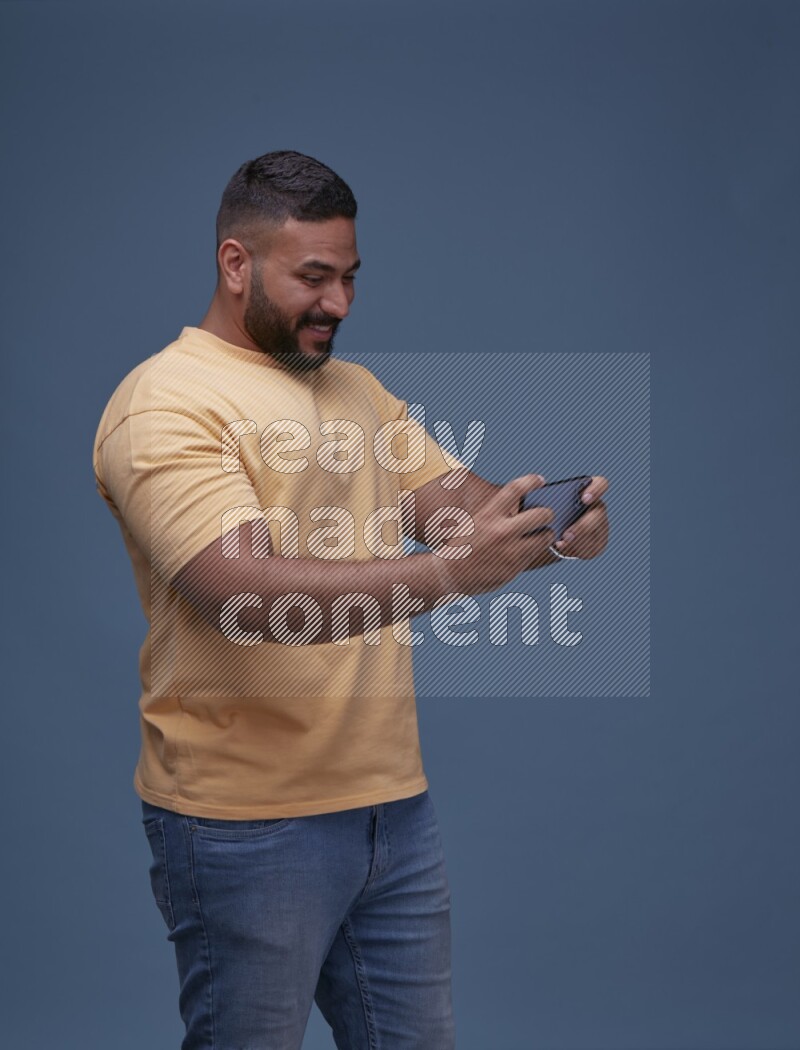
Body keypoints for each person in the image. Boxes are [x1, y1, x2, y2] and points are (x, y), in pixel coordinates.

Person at [93, 150, 609, 1049]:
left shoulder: (355, 392)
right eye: (315, 277)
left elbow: (462, 515)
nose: (339, 303)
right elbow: (244, 596)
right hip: (241, 825)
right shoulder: (166, 402)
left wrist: (552, 533)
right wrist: (453, 574)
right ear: (235, 264)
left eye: (350, 277)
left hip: (392, 812)